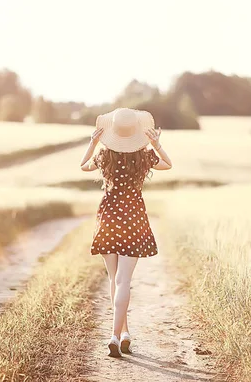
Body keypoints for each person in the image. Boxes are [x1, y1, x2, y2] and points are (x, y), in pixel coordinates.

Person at [79, 107, 173, 357]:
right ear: (136, 133)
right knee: (124, 282)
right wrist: (156, 143)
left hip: (108, 219)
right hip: (133, 219)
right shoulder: (144, 158)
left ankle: (121, 334)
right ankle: (117, 334)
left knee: (114, 280)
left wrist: (93, 142)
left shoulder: (103, 156)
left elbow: (83, 166)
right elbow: (168, 164)